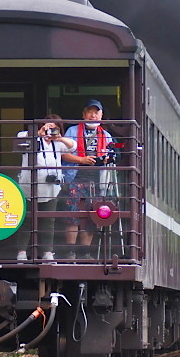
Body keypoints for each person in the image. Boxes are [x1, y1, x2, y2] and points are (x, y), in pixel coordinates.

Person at [15, 115, 75, 261]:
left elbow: (73, 146)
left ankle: (48, 252)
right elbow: (19, 140)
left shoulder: (57, 143)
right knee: (26, 220)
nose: (50, 131)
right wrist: (38, 133)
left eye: (53, 128)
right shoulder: (31, 139)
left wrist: (59, 137)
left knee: (48, 221)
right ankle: (22, 252)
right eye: (47, 127)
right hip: (29, 187)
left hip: (51, 189)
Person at [61, 100, 113, 260]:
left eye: (96, 112)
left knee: (92, 217)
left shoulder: (106, 135)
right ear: (83, 114)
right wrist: (81, 160)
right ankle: (71, 252)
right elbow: (62, 153)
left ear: (101, 115)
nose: (93, 115)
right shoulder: (72, 131)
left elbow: (112, 156)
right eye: (90, 111)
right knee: (72, 216)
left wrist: (105, 160)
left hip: (97, 181)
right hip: (75, 178)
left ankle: (86, 253)